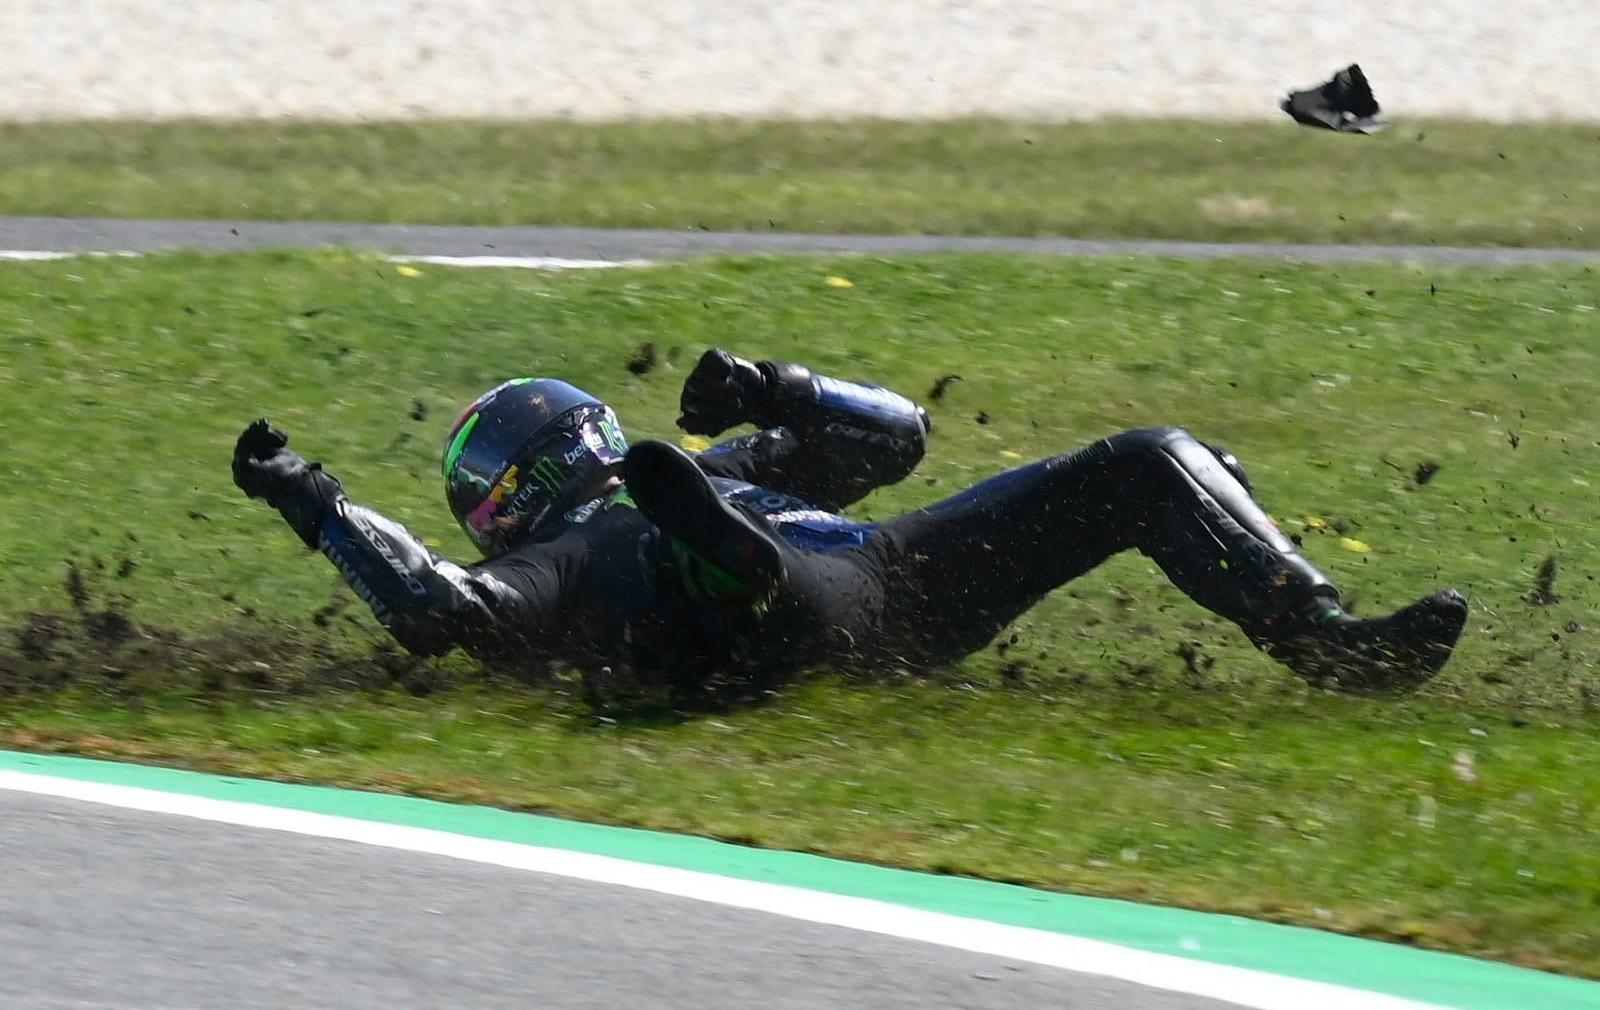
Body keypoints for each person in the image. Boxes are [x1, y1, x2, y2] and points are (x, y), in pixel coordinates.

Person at [232, 348, 1468, 702]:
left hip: (890, 578)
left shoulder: (703, 466)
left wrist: (782, 388)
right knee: (686, 540)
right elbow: (433, 612)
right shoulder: (569, 557)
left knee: (1149, 462)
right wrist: (314, 497)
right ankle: (722, 568)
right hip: (758, 628)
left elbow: (899, 442)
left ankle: (1327, 639)